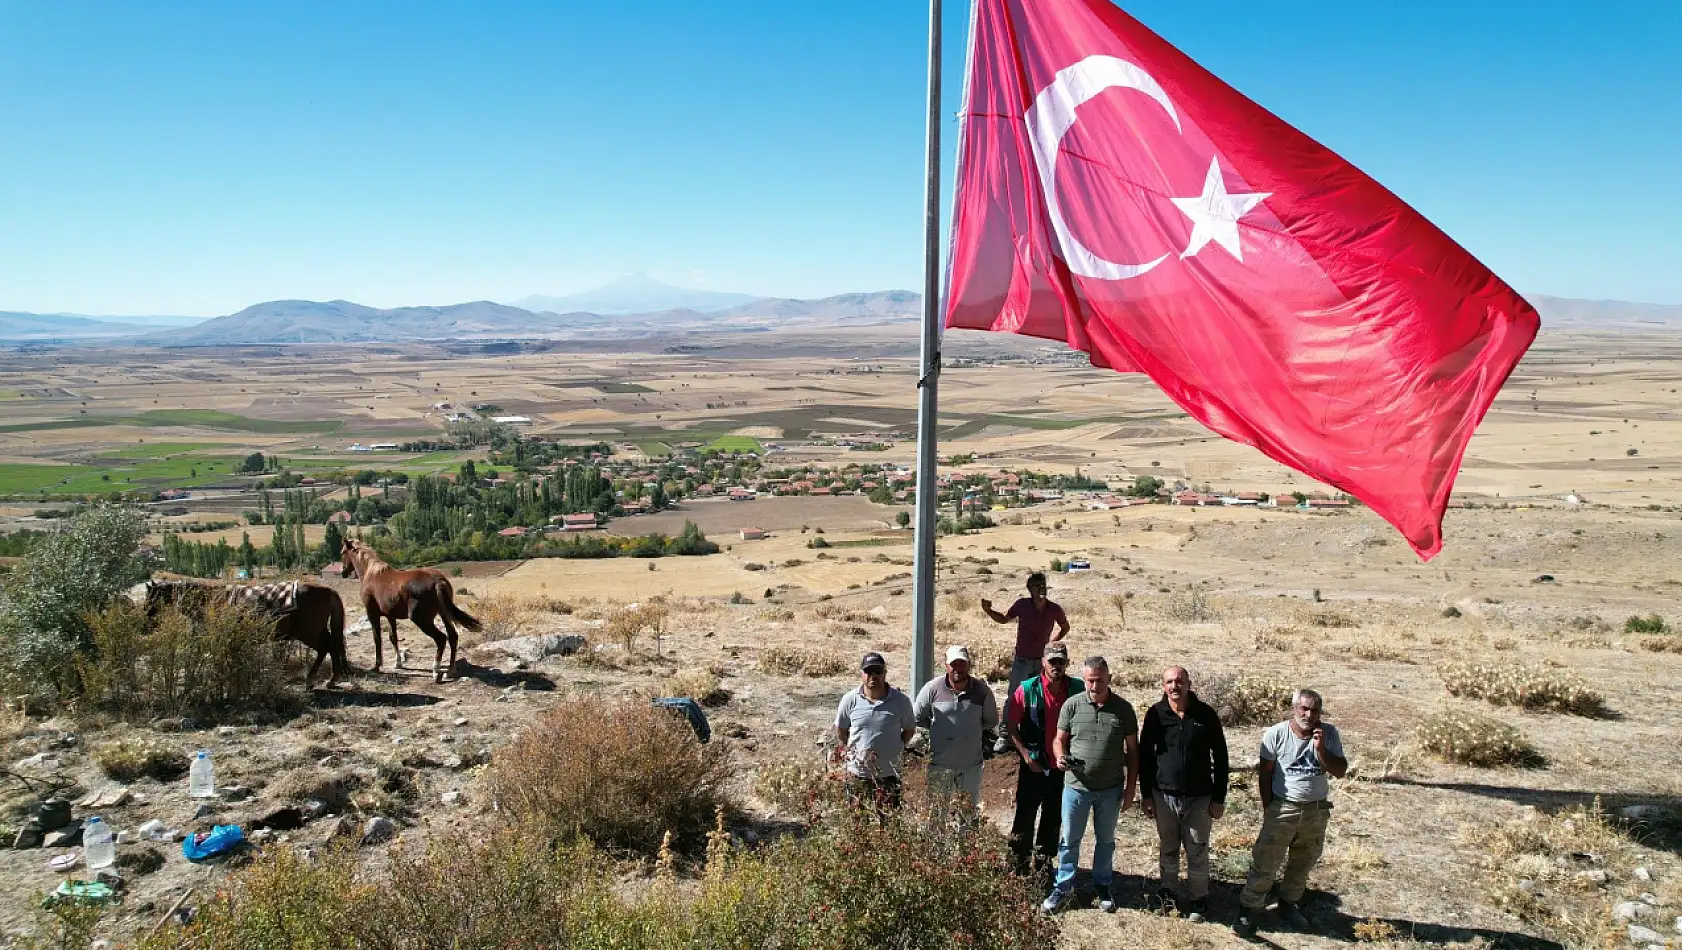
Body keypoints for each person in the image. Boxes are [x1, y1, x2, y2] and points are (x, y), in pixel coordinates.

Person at [1234, 688, 1348, 937]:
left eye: (1314, 710)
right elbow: (1265, 773)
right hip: (1283, 806)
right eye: (1304, 709)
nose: (1309, 714)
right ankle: (1249, 908)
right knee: (1266, 861)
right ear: (1294, 708)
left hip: (1316, 810)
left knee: (1303, 861)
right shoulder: (1276, 733)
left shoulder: (1328, 734)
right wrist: (1268, 807)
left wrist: (1321, 750)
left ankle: (1288, 903)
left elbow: (1340, 770)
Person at [1043, 656, 1138, 915]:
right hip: (1076, 787)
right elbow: (1058, 739)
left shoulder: (1124, 709)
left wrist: (1131, 790)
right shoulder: (1072, 706)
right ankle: (1062, 887)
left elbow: (1132, 752)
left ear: (1109, 678)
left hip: (1110, 789)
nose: (1094, 686)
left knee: (1105, 840)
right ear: (1083, 679)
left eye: (1099, 680)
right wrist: (1060, 756)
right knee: (1070, 840)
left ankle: (1102, 884)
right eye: (1089, 680)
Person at [1139, 666, 1229, 922]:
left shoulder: (1205, 714)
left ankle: (1198, 899)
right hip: (1163, 795)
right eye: (1169, 682)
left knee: (1197, 849)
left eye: (1179, 681)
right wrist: (1146, 795)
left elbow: (1221, 757)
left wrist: (1218, 797)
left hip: (1199, 797)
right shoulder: (1156, 715)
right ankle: (1168, 894)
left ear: (1189, 683)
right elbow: (1146, 756)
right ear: (1162, 685)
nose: (1174, 686)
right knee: (1168, 847)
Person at [1004, 642, 1072, 877]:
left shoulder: (1077, 690)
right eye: (1052, 661)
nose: (1056, 666)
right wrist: (1026, 757)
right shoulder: (1026, 689)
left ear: (1067, 663)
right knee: (1025, 815)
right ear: (1043, 662)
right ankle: (1017, 865)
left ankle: (1043, 866)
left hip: (1063, 768)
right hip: (1033, 765)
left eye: (1061, 661)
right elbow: (1011, 726)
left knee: (1053, 818)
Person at [982, 572, 1070, 751]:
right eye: (1037, 585)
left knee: (1038, 698)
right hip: (1022, 660)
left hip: (1042, 662)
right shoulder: (1022, 605)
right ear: (1030, 589)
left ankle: (1033, 734)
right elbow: (1004, 619)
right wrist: (989, 611)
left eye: (1043, 584)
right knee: (1015, 696)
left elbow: (1065, 626)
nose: (1041, 588)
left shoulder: (1054, 609)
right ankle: (1005, 735)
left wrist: (1052, 643)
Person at [914, 644, 999, 807]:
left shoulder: (982, 691)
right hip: (939, 764)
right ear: (946, 665)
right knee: (936, 814)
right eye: (953, 664)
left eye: (961, 664)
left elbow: (991, 721)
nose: (957, 669)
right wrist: (936, 729)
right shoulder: (932, 688)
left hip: (970, 766)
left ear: (968, 664)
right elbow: (917, 716)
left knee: (967, 814)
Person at [833, 651, 917, 810]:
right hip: (858, 773)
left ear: (885, 673)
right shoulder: (849, 700)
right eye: (868, 671)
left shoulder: (901, 701)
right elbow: (841, 730)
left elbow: (909, 730)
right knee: (857, 821)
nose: (873, 676)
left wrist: (895, 748)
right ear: (861, 674)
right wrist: (852, 749)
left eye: (878, 671)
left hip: (889, 774)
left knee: (889, 822)